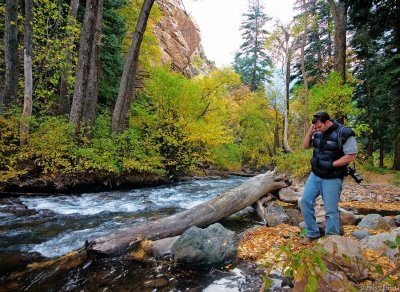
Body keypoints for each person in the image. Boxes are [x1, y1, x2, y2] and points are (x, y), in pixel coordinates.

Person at [301, 111, 358, 242]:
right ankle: (312, 233)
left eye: (319, 127)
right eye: (315, 127)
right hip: (315, 175)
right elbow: (306, 146)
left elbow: (351, 155)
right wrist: (310, 133)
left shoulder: (343, 133)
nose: (317, 129)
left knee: (330, 211)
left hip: (332, 177)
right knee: (305, 201)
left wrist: (332, 164)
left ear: (327, 122)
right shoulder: (316, 131)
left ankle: (330, 240)